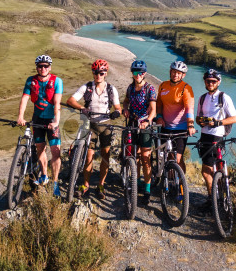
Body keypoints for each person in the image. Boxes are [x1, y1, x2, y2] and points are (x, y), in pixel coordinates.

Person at [66, 59, 121, 200]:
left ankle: (101, 185)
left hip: (105, 125)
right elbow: (71, 100)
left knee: (105, 156)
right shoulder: (87, 87)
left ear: (105, 73)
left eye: (101, 73)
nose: (98, 75)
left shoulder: (111, 89)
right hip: (89, 125)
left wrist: (117, 112)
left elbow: (118, 107)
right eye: (96, 72)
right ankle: (85, 185)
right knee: (88, 156)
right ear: (93, 73)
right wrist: (82, 108)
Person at [16, 55, 63, 196]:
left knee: (55, 151)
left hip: (52, 119)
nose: (43, 68)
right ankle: (44, 175)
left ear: (50, 67)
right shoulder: (31, 81)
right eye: (40, 66)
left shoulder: (57, 81)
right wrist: (20, 117)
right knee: (40, 148)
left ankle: (55, 183)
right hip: (37, 119)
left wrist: (56, 121)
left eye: (46, 66)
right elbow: (24, 98)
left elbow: (57, 103)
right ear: (37, 67)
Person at [195, 69, 236, 204]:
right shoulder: (202, 98)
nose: (210, 83)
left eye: (213, 81)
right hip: (204, 136)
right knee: (211, 170)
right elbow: (197, 117)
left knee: (207, 171)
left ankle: (212, 200)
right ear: (205, 82)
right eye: (208, 81)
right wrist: (200, 121)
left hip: (216, 137)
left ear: (218, 82)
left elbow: (234, 118)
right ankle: (217, 197)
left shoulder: (224, 97)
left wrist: (218, 122)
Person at [121, 59, 157, 205]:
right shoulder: (130, 88)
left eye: (140, 73)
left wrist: (148, 121)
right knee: (133, 155)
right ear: (132, 73)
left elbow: (153, 110)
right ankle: (135, 183)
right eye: (135, 72)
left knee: (145, 158)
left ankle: (147, 189)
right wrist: (125, 109)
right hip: (132, 124)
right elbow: (126, 101)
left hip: (145, 125)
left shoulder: (150, 89)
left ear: (145, 74)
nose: (138, 75)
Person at [155, 60, 196, 186]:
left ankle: (181, 185)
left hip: (181, 128)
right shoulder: (163, 85)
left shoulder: (186, 88)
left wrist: (190, 125)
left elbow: (189, 108)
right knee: (166, 156)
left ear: (183, 75)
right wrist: (159, 117)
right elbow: (159, 103)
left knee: (178, 158)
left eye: (179, 73)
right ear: (170, 72)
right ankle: (168, 180)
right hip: (165, 126)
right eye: (173, 72)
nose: (175, 75)